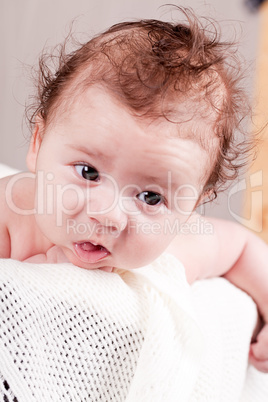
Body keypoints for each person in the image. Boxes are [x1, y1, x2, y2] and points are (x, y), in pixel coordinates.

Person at [0, 7, 267, 374]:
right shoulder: (12, 214)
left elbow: (241, 248)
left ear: (192, 208)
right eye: (88, 172)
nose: (107, 214)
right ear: (38, 143)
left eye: (151, 198)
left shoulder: (175, 249)